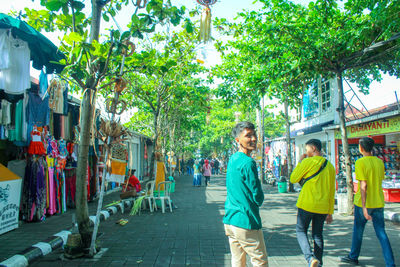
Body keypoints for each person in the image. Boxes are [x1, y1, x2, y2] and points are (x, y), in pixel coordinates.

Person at [340, 137, 395, 267]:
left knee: (358, 231)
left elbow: (363, 185)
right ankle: (390, 263)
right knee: (381, 233)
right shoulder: (379, 162)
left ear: (361, 148)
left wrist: (364, 207)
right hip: (378, 202)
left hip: (362, 203)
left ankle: (353, 257)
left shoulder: (360, 162)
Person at [223, 121, 268, 267]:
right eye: (248, 136)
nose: (253, 139)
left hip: (230, 220)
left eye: (254, 134)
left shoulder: (233, 159)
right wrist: (259, 198)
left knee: (238, 261)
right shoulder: (248, 162)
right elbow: (257, 196)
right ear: (238, 140)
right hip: (246, 221)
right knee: (260, 261)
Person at [290, 139, 335, 267]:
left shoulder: (307, 162)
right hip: (323, 207)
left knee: (300, 230)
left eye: (307, 149)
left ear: (313, 148)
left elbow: (293, 178)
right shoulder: (330, 166)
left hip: (307, 204)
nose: (306, 151)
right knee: (318, 234)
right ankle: (319, 262)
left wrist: (300, 162)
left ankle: (310, 258)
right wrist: (330, 212)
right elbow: (332, 190)